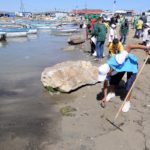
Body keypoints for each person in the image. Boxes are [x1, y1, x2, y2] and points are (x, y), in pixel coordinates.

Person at [98, 44, 150, 112]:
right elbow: (105, 84)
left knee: (129, 85)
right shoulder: (106, 69)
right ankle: (112, 93)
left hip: (131, 65)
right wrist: (104, 97)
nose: (106, 76)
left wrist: (147, 48)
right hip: (120, 68)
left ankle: (127, 102)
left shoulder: (119, 59)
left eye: (107, 75)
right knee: (113, 80)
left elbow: (130, 46)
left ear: (109, 70)